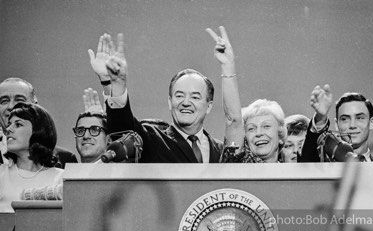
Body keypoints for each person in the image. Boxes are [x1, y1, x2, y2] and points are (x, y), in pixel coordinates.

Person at [87, 33, 223, 163]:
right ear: (170, 102)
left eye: (195, 97)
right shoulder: (152, 140)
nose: (186, 102)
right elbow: (122, 130)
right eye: (179, 95)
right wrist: (116, 84)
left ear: (209, 105)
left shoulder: (221, 151)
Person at [206, 26, 287, 163]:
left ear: (280, 135)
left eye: (266, 126)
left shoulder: (294, 175)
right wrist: (227, 66)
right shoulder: (241, 163)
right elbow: (233, 120)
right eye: (251, 129)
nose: (259, 133)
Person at [0, 77, 78, 168]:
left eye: (20, 100)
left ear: (35, 105)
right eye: (4, 101)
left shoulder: (65, 159)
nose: (11, 106)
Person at [0, 102, 64, 212]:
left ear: (38, 131)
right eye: (9, 124)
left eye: (18, 124)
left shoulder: (61, 178)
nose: (9, 129)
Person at [300, 85, 373, 162]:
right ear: (337, 124)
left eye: (359, 118)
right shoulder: (322, 169)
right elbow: (306, 163)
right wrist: (320, 118)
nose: (352, 125)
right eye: (345, 119)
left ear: (371, 122)